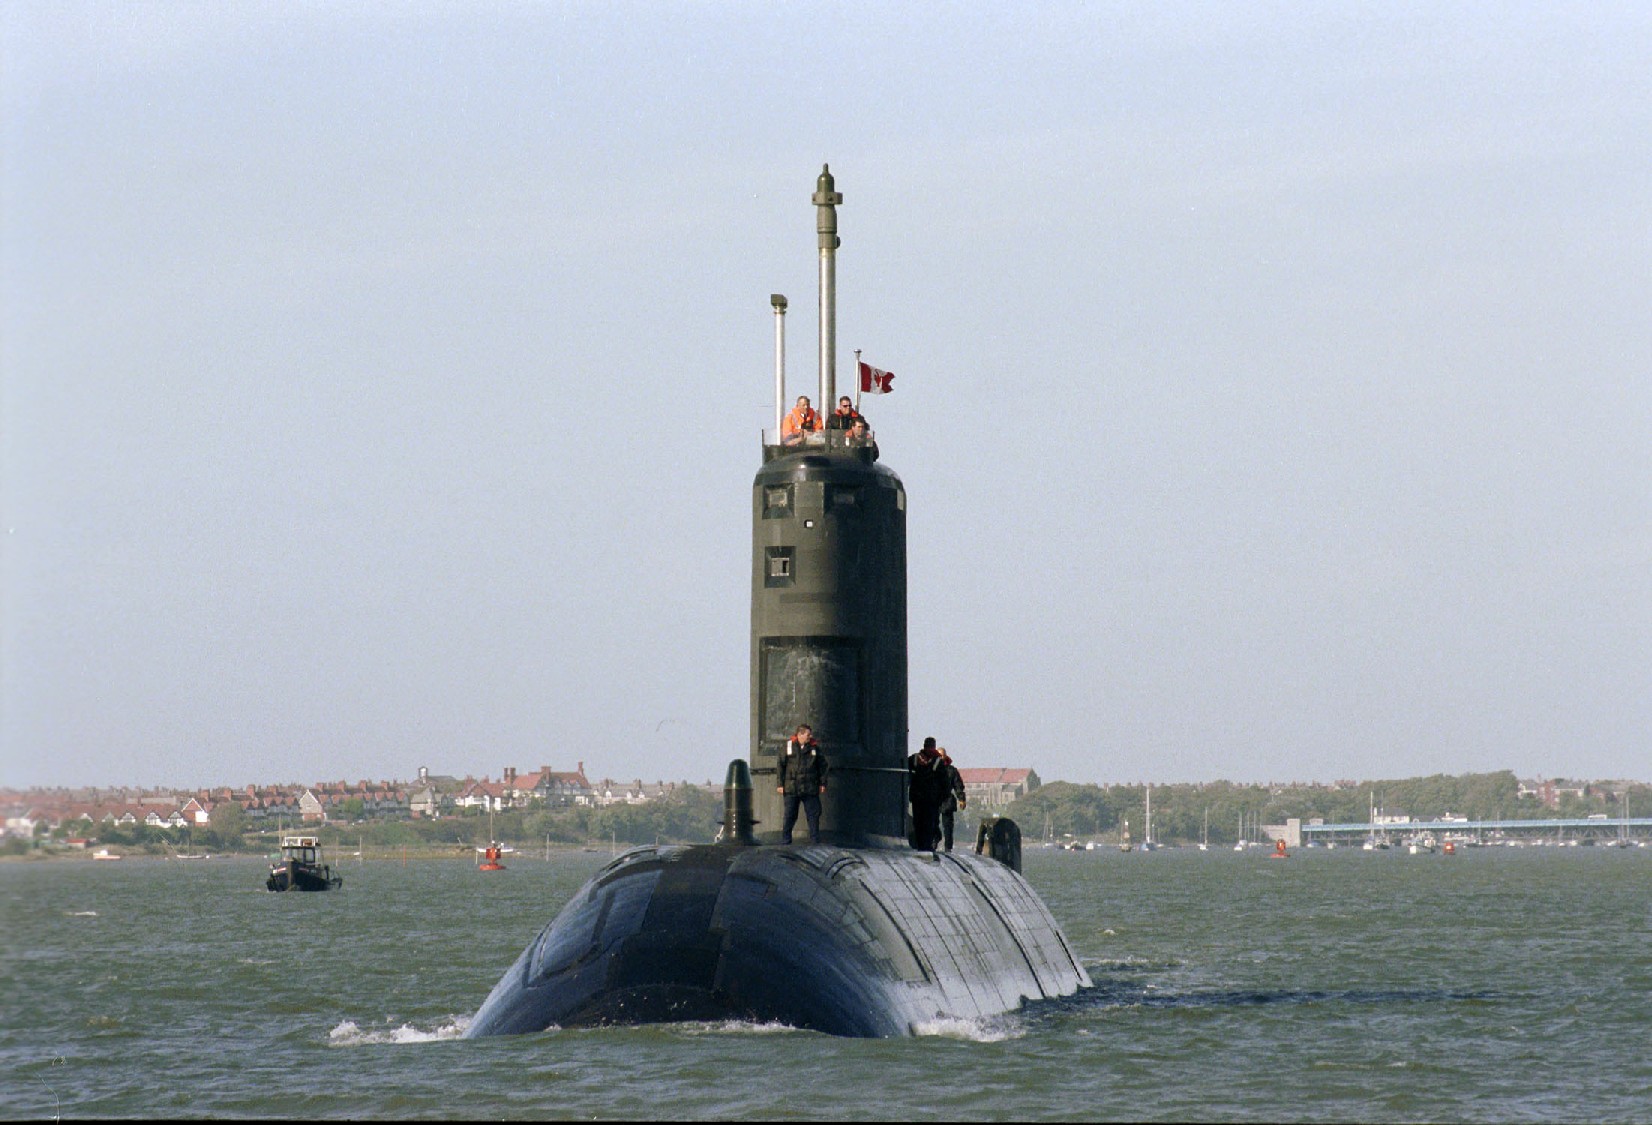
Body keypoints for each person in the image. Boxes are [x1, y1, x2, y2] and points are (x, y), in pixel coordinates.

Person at [776, 723, 828, 844]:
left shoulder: (814, 748)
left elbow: (823, 766)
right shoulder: (788, 747)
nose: (810, 736)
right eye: (808, 734)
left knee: (813, 815)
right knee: (790, 815)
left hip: (809, 788)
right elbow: (780, 765)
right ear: (800, 734)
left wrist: (823, 783)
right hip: (792, 788)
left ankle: (815, 840)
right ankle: (786, 840)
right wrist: (780, 784)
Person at [907, 737, 949, 851]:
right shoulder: (938, 762)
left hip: (917, 798)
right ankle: (927, 847)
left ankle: (920, 846)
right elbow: (945, 783)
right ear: (934, 746)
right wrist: (942, 799)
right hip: (931, 800)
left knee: (918, 823)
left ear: (924, 745)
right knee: (929, 824)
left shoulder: (914, 759)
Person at [937, 747, 967, 853]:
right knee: (932, 823)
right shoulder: (931, 769)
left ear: (945, 756)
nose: (940, 758)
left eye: (942, 755)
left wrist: (962, 799)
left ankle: (948, 847)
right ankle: (934, 840)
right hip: (934, 799)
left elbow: (958, 786)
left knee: (948, 825)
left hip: (947, 800)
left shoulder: (951, 770)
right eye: (938, 755)